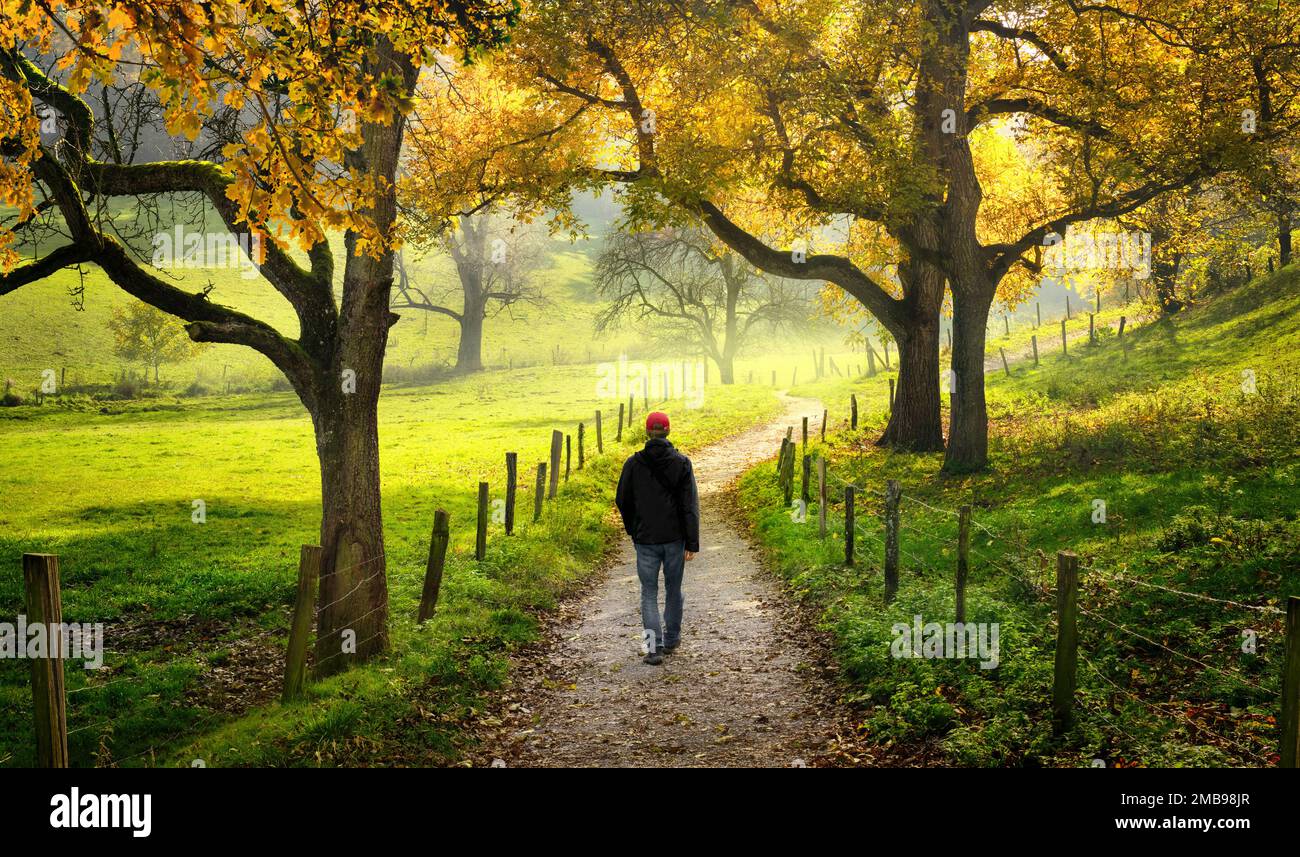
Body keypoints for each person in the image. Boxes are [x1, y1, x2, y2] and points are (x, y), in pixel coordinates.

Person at [615, 411, 700, 665]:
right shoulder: (682, 463)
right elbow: (689, 505)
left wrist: (634, 529)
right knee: (674, 589)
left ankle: (654, 649)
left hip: (646, 540)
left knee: (648, 593)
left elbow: (622, 500)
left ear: (646, 432)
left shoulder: (633, 463)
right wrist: (691, 541)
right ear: (668, 432)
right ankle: (672, 640)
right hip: (674, 539)